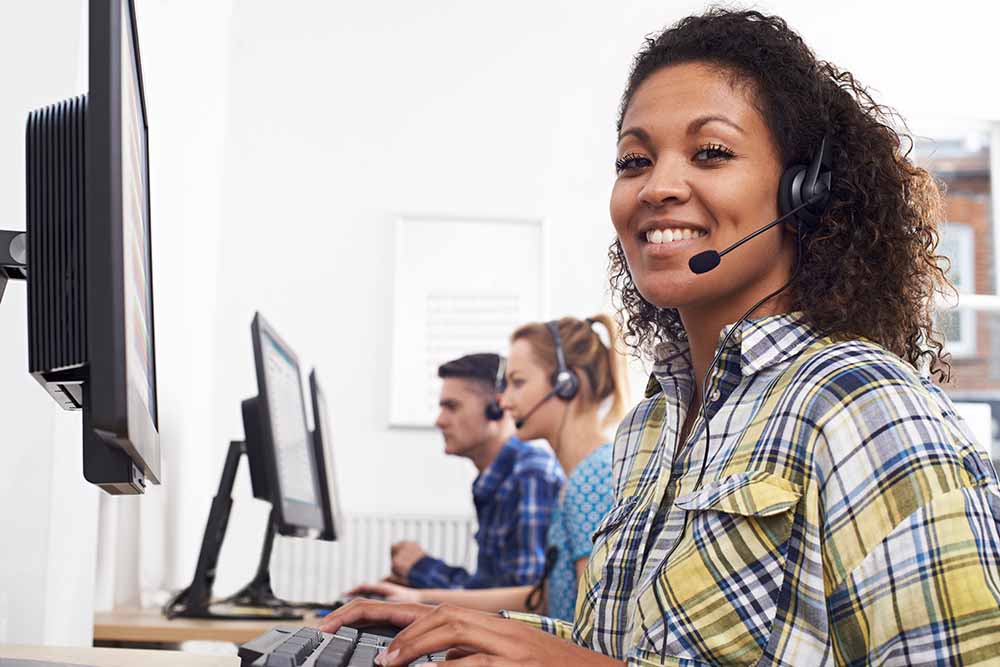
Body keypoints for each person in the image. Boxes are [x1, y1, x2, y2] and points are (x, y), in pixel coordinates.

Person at [320, 9, 1000, 666]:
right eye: (634, 161)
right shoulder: (654, 424)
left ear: (803, 192)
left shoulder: (861, 405)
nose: (658, 186)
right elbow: (628, 649)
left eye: (710, 152)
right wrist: (459, 627)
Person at [348, 315, 629, 622]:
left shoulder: (592, 478)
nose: (504, 401)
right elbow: (541, 599)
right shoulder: (575, 477)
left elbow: (596, 629)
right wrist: (418, 600)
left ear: (567, 383)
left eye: (518, 383)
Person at [390, 353, 565, 591]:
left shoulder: (530, 475)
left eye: (451, 407)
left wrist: (421, 568)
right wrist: (416, 582)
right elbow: (488, 588)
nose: (439, 421)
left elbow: (522, 601)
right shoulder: (495, 479)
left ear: (497, 408)